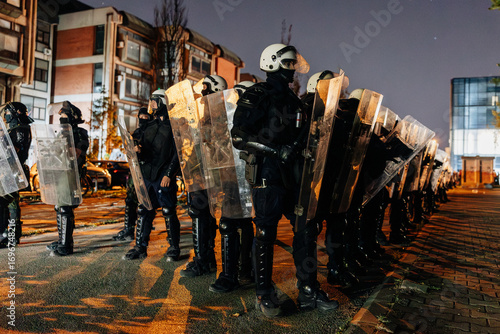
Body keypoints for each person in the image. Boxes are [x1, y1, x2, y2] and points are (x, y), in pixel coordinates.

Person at [232, 44, 338, 317]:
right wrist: (275, 150)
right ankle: (264, 293)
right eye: (288, 64)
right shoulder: (258, 94)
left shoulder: (294, 100)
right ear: (272, 63)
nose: (292, 69)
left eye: (294, 64)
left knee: (306, 230)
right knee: (265, 234)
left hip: (295, 178)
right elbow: (238, 136)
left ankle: (308, 291)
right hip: (268, 175)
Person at [209, 80, 255, 293]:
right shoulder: (225, 117)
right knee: (228, 224)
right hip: (229, 178)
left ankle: (244, 270)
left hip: (249, 178)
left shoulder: (256, 117)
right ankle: (230, 274)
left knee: (246, 225)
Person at [124, 90, 180, 260]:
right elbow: (144, 151)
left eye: (154, 101)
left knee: (168, 210)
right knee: (144, 209)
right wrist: (137, 151)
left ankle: (174, 247)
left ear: (163, 102)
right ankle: (140, 247)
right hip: (147, 175)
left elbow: (178, 153)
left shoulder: (175, 126)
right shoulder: (150, 126)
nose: (151, 105)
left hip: (163, 176)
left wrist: (169, 174)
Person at [180, 75, 227, 277]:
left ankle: (204, 260)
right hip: (200, 173)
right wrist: (188, 166)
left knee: (205, 215)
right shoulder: (204, 115)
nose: (202, 96)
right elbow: (197, 145)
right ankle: (205, 259)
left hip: (214, 173)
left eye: (206, 91)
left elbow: (218, 144)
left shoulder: (221, 113)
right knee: (200, 214)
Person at [46, 101, 89, 256]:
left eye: (64, 115)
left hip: (70, 173)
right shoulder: (61, 133)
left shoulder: (80, 133)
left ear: (72, 117)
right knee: (59, 207)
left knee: (65, 207)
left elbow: (76, 154)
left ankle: (66, 245)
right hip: (59, 173)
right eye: (61, 115)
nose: (61, 118)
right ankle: (62, 240)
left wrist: (63, 146)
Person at [112, 108, 150, 241]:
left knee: (145, 205)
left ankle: (142, 233)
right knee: (130, 201)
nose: (143, 119)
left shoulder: (152, 132)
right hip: (135, 171)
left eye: (146, 116)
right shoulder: (136, 133)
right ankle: (128, 229)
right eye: (141, 116)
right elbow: (129, 150)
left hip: (147, 172)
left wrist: (141, 151)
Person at [0, 102, 33, 247]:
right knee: (12, 205)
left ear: (15, 113)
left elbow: (14, 151)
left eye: (7, 113)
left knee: (3, 204)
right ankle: (12, 236)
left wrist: (2, 139)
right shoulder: (16, 129)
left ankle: (4, 235)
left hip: (11, 172)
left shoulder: (20, 130)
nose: (6, 116)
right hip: (10, 172)